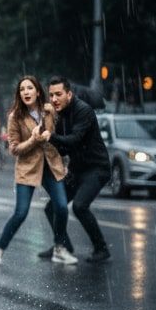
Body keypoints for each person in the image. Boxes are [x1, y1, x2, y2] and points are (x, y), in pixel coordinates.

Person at [0, 76, 75, 266]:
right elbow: (14, 149)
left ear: (37, 91)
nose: (26, 92)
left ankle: (59, 249)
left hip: (51, 165)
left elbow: (59, 133)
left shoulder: (49, 111)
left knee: (61, 207)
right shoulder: (15, 117)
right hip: (28, 168)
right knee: (21, 213)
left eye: (29, 88)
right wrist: (33, 140)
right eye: (22, 89)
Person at [39, 75, 112, 263]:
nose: (54, 99)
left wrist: (50, 137)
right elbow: (64, 148)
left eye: (58, 94)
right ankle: (63, 245)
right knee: (52, 207)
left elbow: (74, 140)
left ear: (69, 94)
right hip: (77, 169)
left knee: (79, 206)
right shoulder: (60, 115)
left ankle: (101, 248)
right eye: (51, 95)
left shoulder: (83, 111)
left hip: (97, 168)